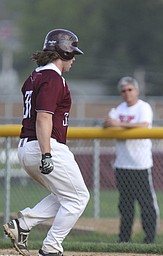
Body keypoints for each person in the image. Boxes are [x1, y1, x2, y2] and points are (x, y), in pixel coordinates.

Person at [3, 29, 90, 256]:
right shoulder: (53, 78)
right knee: (79, 197)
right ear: (62, 52)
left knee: (64, 196)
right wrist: (47, 153)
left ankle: (23, 224)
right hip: (44, 145)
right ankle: (51, 247)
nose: (73, 60)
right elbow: (43, 117)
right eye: (72, 54)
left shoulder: (35, 76)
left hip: (26, 147)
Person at [103, 76, 159, 244]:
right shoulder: (119, 108)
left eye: (130, 90)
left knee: (146, 204)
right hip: (122, 165)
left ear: (137, 91)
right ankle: (123, 239)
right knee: (125, 205)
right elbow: (106, 124)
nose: (127, 93)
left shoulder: (144, 107)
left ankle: (149, 239)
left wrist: (118, 123)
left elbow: (143, 125)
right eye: (123, 91)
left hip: (140, 165)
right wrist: (110, 123)